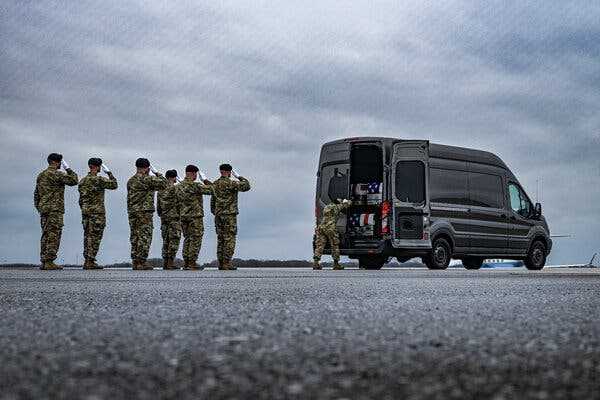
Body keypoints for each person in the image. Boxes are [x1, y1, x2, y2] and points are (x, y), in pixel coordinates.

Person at [34, 153, 78, 270]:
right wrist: (67, 168)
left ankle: (44, 260)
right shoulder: (57, 174)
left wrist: (39, 207)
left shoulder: (41, 175)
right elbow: (74, 180)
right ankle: (49, 261)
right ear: (56, 162)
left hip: (44, 208)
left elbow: (36, 194)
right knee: (54, 234)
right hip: (55, 209)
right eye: (60, 162)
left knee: (45, 234)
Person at [126, 158, 167, 270]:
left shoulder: (131, 180)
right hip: (144, 212)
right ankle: (141, 261)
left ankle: (135, 261)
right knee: (145, 236)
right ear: (147, 168)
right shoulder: (147, 179)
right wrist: (157, 173)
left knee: (135, 236)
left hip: (132, 212)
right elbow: (164, 183)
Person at [78, 157, 118, 270]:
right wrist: (109, 172)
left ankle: (87, 259)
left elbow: (80, 200)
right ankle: (90, 261)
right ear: (98, 167)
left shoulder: (82, 181)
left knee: (87, 236)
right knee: (95, 236)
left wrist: (84, 208)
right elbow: (114, 185)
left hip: (85, 212)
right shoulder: (99, 180)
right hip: (97, 212)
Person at [210, 164, 251, 270]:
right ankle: (227, 263)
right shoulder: (232, 183)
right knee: (229, 238)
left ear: (220, 171)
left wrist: (215, 211)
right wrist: (239, 177)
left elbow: (212, 201)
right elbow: (247, 186)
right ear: (229, 172)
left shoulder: (215, 184)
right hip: (229, 215)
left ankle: (221, 262)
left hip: (218, 214)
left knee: (221, 239)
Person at [177, 165, 212, 270]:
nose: (196, 176)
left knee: (187, 239)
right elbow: (212, 190)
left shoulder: (178, 186)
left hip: (183, 216)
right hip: (195, 216)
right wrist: (205, 180)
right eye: (195, 174)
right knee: (195, 238)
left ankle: (186, 262)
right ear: (193, 173)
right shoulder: (196, 185)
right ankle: (192, 262)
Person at [313, 199, 352, 270]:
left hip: (321, 227)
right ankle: (336, 264)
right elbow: (346, 204)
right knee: (334, 245)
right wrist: (348, 201)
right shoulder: (336, 207)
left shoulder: (327, 207)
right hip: (330, 227)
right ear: (337, 203)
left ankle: (316, 263)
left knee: (320, 245)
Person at [157, 169, 181, 270]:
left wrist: (162, 214)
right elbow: (180, 203)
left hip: (164, 218)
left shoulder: (160, 190)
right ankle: (170, 262)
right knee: (174, 240)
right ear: (174, 177)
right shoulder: (175, 189)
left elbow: (158, 206)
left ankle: (165, 262)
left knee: (166, 240)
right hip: (174, 218)